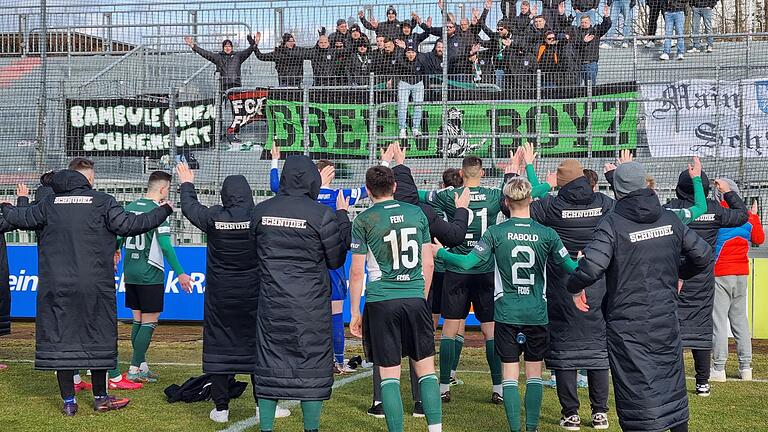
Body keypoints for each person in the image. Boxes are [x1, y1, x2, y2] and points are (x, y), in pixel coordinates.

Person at [1, 158, 174, 416]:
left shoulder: (49, 204)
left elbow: (17, 217)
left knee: (62, 340)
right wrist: (164, 210)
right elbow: (131, 226)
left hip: (57, 287)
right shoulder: (103, 202)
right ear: (87, 181)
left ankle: (69, 403)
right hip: (95, 285)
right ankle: (101, 398)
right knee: (99, 337)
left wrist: (6, 204)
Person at [566, 161, 713, 432]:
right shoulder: (670, 218)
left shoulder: (612, 223)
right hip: (665, 318)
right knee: (669, 378)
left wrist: (574, 287)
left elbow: (591, 267)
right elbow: (703, 255)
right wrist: (681, 273)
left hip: (628, 323)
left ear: (617, 190)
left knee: (636, 386)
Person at [436, 177, 579, 432]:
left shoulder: (495, 233)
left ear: (506, 202)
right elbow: (572, 268)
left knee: (511, 377)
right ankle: (531, 427)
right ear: (531, 201)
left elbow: (467, 263)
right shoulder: (547, 234)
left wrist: (440, 253)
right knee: (534, 375)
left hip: (507, 313)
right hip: (536, 313)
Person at [176, 163, 290, 423]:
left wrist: (187, 183)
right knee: (258, 349)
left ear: (224, 195)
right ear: (248, 193)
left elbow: (190, 208)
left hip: (220, 297)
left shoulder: (214, 217)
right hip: (254, 295)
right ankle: (263, 407)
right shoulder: (259, 217)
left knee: (219, 348)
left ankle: (221, 409)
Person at [366, 142, 470, 419]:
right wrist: (461, 209)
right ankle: (421, 402)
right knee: (419, 348)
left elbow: (377, 190)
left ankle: (380, 401)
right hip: (416, 288)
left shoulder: (375, 213)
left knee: (385, 349)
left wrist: (387, 162)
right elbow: (455, 236)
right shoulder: (422, 212)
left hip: (384, 289)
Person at [250, 155, 351, 432]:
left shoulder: (261, 212)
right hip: (311, 305)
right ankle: (311, 429)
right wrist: (343, 219)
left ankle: (266, 427)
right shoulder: (321, 214)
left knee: (270, 363)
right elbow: (336, 259)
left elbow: (252, 253)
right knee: (313, 366)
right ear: (312, 180)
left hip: (272, 303)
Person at [349, 164, 442, 432]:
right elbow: (429, 264)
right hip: (414, 297)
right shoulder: (416, 213)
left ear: (368, 191)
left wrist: (355, 311)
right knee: (426, 370)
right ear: (395, 187)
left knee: (389, 373)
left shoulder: (364, 219)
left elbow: (357, 272)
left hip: (382, 300)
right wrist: (420, 299)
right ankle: (435, 429)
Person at [269, 148, 366, 375]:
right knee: (334, 313)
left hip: (306, 263)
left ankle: (307, 360)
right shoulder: (340, 196)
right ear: (330, 173)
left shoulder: (304, 198)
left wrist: (275, 161)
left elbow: (276, 187)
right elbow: (369, 190)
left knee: (306, 314)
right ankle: (338, 361)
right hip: (332, 263)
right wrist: (385, 162)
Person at [425, 156, 508, 404]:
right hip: (485, 269)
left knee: (450, 328)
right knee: (490, 330)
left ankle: (443, 385)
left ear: (461, 173)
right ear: (481, 173)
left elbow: (417, 195)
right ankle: (498, 388)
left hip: (457, 269)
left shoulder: (449, 195)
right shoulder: (494, 195)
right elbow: (524, 194)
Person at [664, 167, 748, 397]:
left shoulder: (672, 209)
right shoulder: (714, 210)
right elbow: (742, 215)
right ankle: (703, 383)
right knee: (702, 330)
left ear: (679, 189)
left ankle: (676, 382)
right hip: (702, 277)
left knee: (673, 328)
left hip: (674, 276)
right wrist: (729, 192)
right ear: (707, 188)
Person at [109, 171, 192, 385]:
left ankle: (141, 365)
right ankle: (135, 369)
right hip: (150, 270)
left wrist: (116, 250)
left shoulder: (130, 207)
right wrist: (181, 272)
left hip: (131, 270)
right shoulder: (158, 211)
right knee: (150, 321)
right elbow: (165, 245)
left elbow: (119, 234)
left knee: (138, 319)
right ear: (163, 189)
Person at [712, 183, 763, 382]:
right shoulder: (746, 216)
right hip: (742, 273)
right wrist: (755, 215)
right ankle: (745, 367)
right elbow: (758, 238)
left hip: (720, 273)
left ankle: (718, 368)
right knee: (741, 322)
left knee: (719, 323)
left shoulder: (718, 214)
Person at [185, 35, 256, 91]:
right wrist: (193, 46)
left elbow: (249, 51)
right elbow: (205, 53)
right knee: (222, 106)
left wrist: (255, 43)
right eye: (225, 46)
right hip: (224, 85)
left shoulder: (238, 56)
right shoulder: (218, 57)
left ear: (232, 47)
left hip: (236, 84)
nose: (227, 48)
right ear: (223, 47)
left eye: (229, 46)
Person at [572, 7, 611, 86]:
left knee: (590, 87)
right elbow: (574, 44)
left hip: (590, 64)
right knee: (575, 86)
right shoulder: (576, 32)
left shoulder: (595, 31)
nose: (583, 24)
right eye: (582, 22)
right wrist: (584, 42)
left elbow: (606, 26)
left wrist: (606, 17)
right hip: (577, 64)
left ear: (590, 22)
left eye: (586, 22)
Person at [396, 44, 428, 139]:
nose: (411, 55)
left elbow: (425, 73)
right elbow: (396, 72)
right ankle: (402, 129)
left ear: (416, 53)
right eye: (408, 52)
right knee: (402, 105)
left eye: (413, 52)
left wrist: (425, 87)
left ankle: (415, 129)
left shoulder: (421, 60)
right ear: (405, 53)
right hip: (404, 82)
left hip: (418, 83)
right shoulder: (400, 60)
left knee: (418, 105)